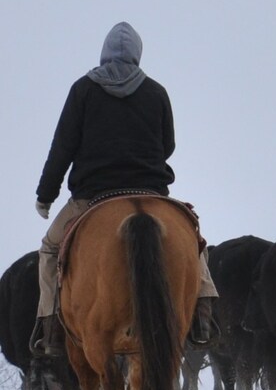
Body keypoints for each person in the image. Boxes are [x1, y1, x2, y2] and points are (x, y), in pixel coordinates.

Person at [30, 21, 219, 357]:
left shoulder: (83, 90)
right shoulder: (156, 92)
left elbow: (63, 146)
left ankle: (52, 331)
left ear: (104, 54)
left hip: (93, 195)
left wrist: (46, 194)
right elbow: (168, 144)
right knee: (193, 239)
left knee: (48, 250)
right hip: (151, 190)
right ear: (138, 55)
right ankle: (203, 316)